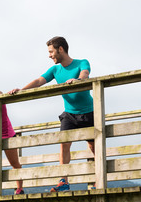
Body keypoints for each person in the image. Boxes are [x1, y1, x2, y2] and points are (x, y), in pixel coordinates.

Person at [8, 36, 95, 192]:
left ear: (60, 49)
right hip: (69, 114)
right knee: (64, 145)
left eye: (51, 51)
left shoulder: (81, 62)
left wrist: (77, 80)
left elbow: (85, 73)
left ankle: (98, 180)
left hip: (88, 112)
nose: (49, 55)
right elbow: (39, 81)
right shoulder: (55, 69)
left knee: (93, 146)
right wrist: (21, 90)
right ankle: (64, 181)